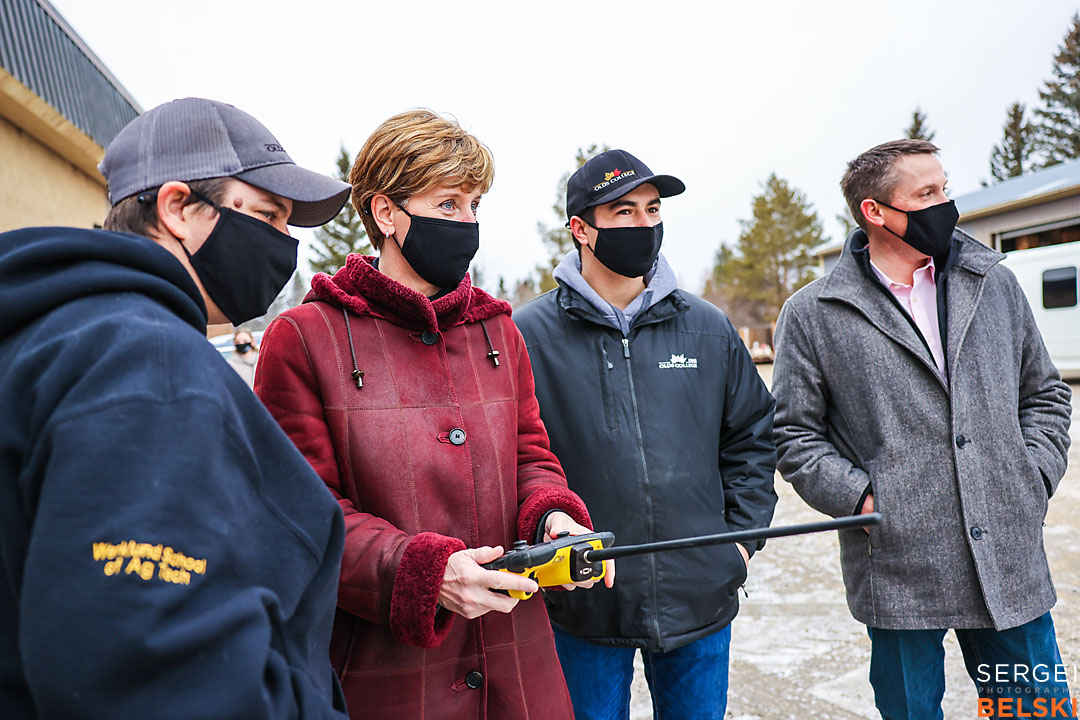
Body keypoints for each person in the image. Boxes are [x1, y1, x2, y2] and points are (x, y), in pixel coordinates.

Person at [0, 97, 354, 719]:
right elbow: (151, 671)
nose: (285, 245)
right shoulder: (148, 364)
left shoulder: (51, 333)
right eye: (269, 215)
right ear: (177, 209)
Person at [254, 109, 611, 720]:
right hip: (384, 677)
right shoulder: (306, 337)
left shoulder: (498, 330)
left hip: (516, 668)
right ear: (386, 213)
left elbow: (530, 459)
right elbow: (300, 517)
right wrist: (424, 574)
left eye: (474, 205)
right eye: (448, 204)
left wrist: (553, 518)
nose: (467, 223)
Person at [771, 139, 1073, 719]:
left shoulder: (992, 282)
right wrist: (864, 499)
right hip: (899, 566)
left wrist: (1030, 475)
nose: (945, 204)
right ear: (875, 212)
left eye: (945, 188)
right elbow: (794, 435)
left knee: (1037, 710)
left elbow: (1045, 393)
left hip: (1006, 561)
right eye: (926, 193)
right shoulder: (814, 313)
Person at [514, 148, 778, 720]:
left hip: (699, 600)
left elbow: (752, 437)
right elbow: (515, 456)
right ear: (581, 229)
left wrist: (738, 542)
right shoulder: (526, 336)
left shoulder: (707, 327)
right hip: (582, 601)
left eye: (652, 210)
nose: (645, 225)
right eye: (624, 212)